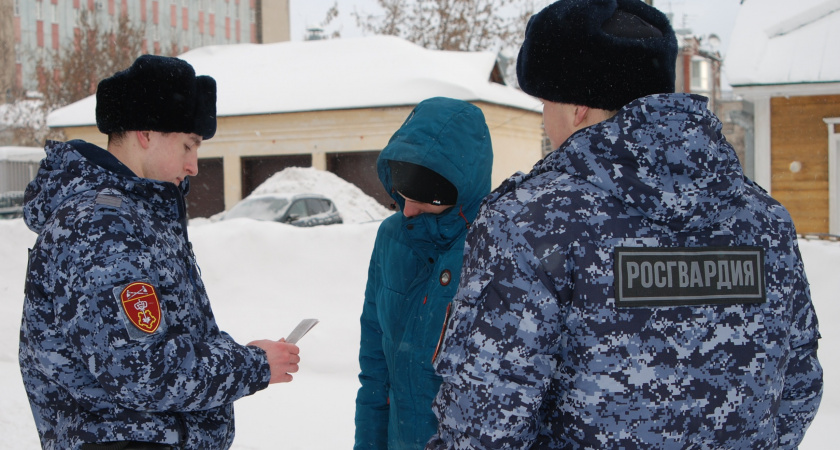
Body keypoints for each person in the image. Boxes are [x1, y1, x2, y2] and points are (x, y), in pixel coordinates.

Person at [427, 1, 823, 449]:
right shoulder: (763, 219)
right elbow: (797, 387)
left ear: (576, 107)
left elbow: (485, 421)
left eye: (544, 103)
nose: (544, 120)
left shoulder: (530, 222)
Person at [19, 55, 301, 450]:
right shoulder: (102, 225)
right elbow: (142, 371)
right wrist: (251, 364)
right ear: (146, 133)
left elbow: (165, 340)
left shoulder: (135, 214)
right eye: (188, 145)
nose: (194, 165)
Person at [354, 97, 493, 449]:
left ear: (460, 189)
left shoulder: (495, 247)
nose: (408, 209)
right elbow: (375, 370)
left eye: (426, 198)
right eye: (402, 192)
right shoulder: (392, 238)